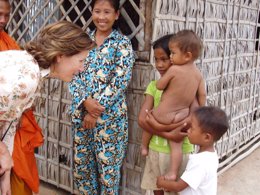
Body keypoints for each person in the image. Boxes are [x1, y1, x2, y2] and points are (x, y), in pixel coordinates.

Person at [0, 20, 95, 195]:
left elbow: (8, 121)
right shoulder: (26, 78)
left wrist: (6, 173)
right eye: (81, 60)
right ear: (60, 55)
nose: (82, 68)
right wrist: (3, 153)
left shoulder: (28, 65)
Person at [69, 0, 135, 194]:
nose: (101, 17)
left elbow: (120, 80)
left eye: (107, 12)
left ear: (116, 15)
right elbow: (72, 74)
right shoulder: (82, 42)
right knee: (83, 169)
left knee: (108, 172)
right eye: (97, 11)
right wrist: (86, 102)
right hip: (82, 115)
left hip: (109, 120)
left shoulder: (122, 43)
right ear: (91, 12)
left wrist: (95, 111)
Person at [142, 30, 206, 181]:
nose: (170, 58)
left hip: (163, 116)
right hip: (181, 116)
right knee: (175, 144)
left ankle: (143, 146)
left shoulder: (175, 70)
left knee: (149, 119)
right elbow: (202, 96)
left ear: (187, 55)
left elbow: (160, 86)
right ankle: (173, 172)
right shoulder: (198, 75)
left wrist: (162, 82)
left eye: (171, 54)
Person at [157, 106, 229, 195]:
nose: (188, 130)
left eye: (192, 128)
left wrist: (161, 183)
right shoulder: (211, 155)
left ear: (206, 137)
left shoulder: (200, 162)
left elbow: (179, 186)